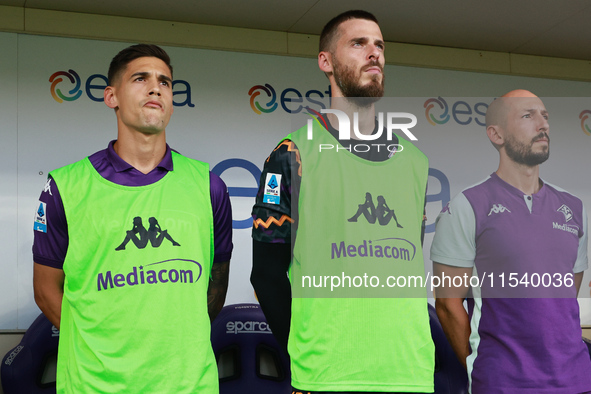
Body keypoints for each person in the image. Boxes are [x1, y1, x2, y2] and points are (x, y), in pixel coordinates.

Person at [251, 10, 434, 394]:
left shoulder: (415, 163)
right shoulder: (292, 153)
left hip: (410, 374)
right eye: (358, 43)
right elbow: (266, 275)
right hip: (326, 375)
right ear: (325, 61)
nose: (374, 53)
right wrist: (302, 351)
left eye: (380, 45)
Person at [32, 44, 233, 393]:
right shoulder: (65, 185)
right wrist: (99, 346)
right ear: (112, 96)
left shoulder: (209, 185)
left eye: (165, 82)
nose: (156, 88)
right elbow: (47, 290)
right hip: (93, 384)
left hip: (188, 384)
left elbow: (215, 287)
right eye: (140, 78)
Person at [431, 90, 591, 393]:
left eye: (545, 116)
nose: (542, 124)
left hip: (577, 380)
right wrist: (480, 367)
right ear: (496, 134)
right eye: (528, 116)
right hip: (502, 382)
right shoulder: (467, 205)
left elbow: (566, 293)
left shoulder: (573, 208)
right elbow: (447, 304)